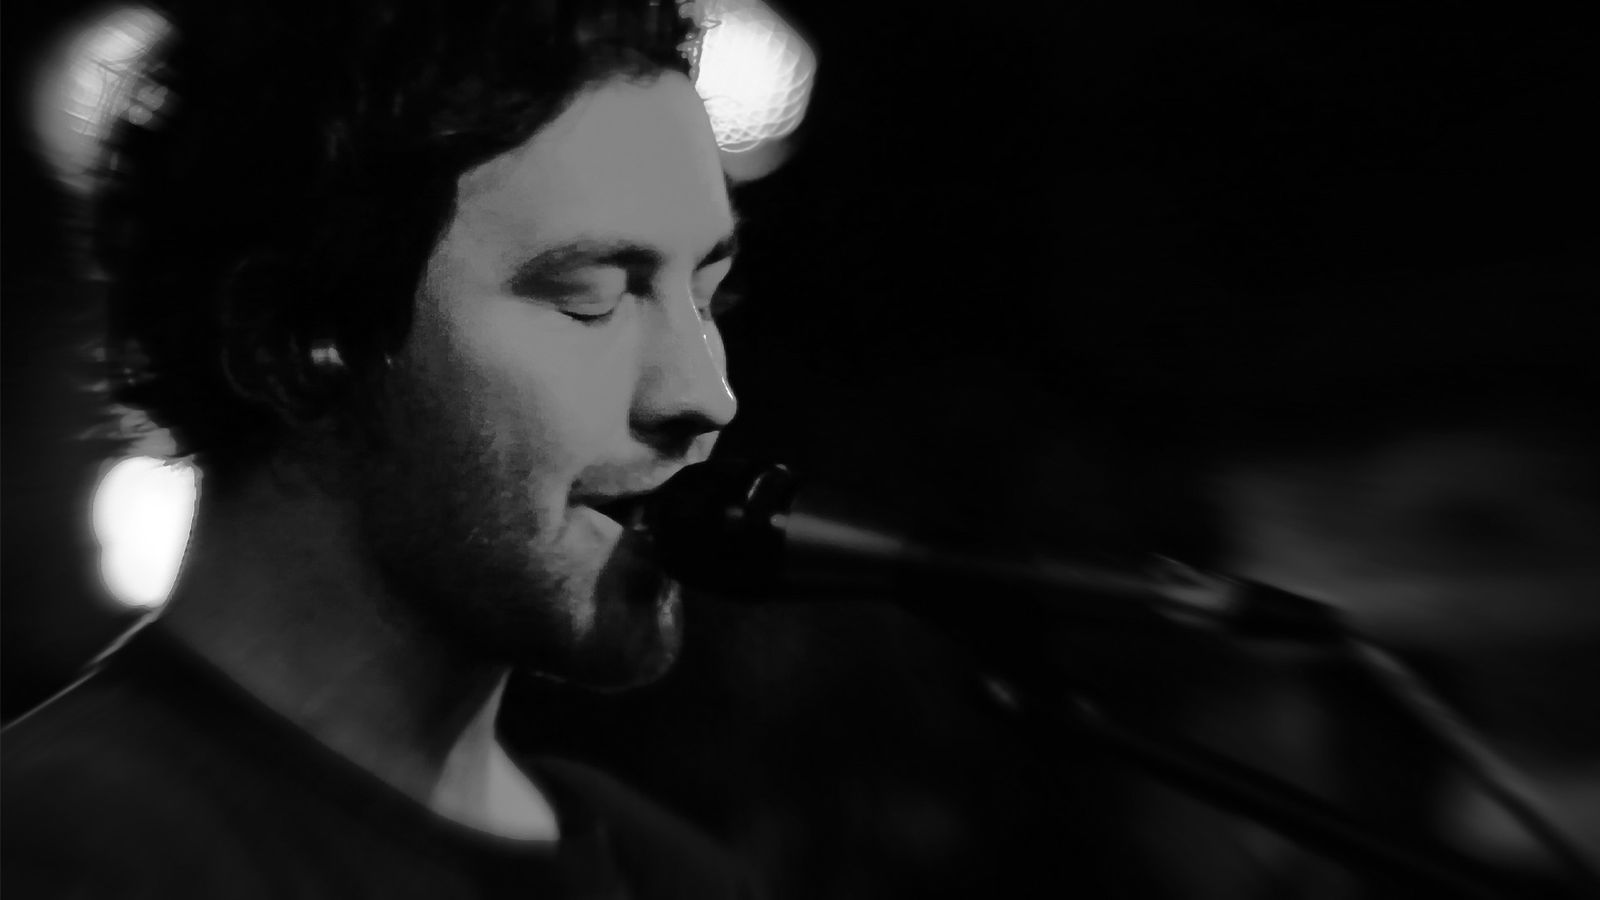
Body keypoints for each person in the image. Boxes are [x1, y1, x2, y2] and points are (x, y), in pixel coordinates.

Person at [1, 0, 759, 896]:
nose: (704, 394)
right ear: (292, 343)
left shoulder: (678, 877)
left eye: (706, 298)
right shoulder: (60, 847)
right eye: (587, 299)